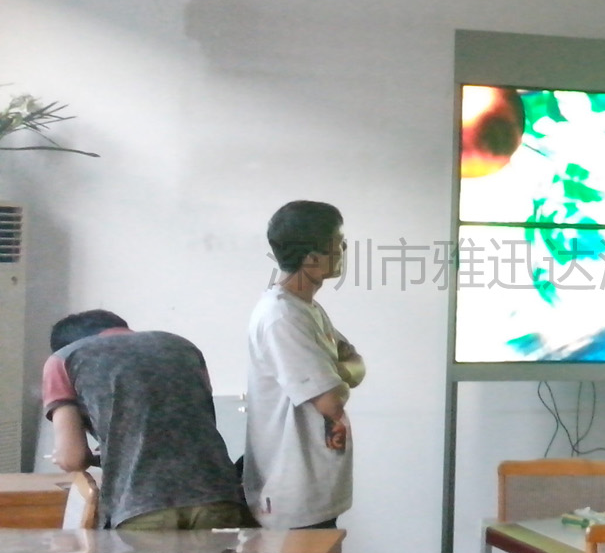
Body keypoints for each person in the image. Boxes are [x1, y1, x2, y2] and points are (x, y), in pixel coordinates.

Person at [41, 310, 246, 529]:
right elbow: (191, 422)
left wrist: (80, 456)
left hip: (141, 507)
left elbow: (73, 459)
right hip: (220, 498)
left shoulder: (63, 359)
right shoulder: (182, 347)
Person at [243, 200, 365, 530]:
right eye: (338, 242)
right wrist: (340, 376)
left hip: (316, 486)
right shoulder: (281, 317)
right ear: (311, 257)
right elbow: (331, 401)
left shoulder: (307, 308)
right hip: (292, 494)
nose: (344, 249)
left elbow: (357, 363)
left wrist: (337, 373)